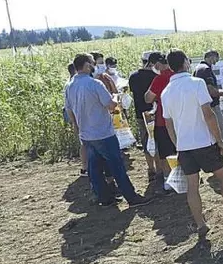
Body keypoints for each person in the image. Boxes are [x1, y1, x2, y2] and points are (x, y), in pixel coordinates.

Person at [161, 50, 223, 237]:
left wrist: (177, 144)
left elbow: (168, 123)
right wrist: (220, 141)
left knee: (192, 186)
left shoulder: (167, 91)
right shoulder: (196, 84)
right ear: (185, 63)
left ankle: (200, 225)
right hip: (204, 143)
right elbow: (208, 114)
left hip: (185, 147)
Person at [64, 53, 152, 207]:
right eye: (92, 63)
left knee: (95, 169)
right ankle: (131, 197)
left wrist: (77, 128)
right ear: (86, 66)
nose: (95, 66)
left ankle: (104, 198)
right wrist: (117, 99)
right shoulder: (95, 84)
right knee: (117, 166)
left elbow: (70, 110)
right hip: (102, 132)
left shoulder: (70, 86)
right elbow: (110, 105)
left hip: (86, 134)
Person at [144, 52, 177, 194]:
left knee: (165, 154)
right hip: (180, 119)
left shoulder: (160, 79)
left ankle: (169, 181)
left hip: (163, 120)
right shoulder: (177, 76)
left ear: (157, 64)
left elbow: (148, 98)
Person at [128, 50, 158, 181]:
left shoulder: (133, 77)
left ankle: (151, 168)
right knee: (158, 140)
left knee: (146, 140)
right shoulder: (156, 76)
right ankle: (160, 168)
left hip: (140, 114)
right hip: (155, 113)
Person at [64, 62, 88, 176]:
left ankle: (85, 167)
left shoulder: (69, 84)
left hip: (76, 117)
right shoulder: (74, 84)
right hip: (80, 117)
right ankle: (85, 167)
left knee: (83, 143)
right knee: (84, 144)